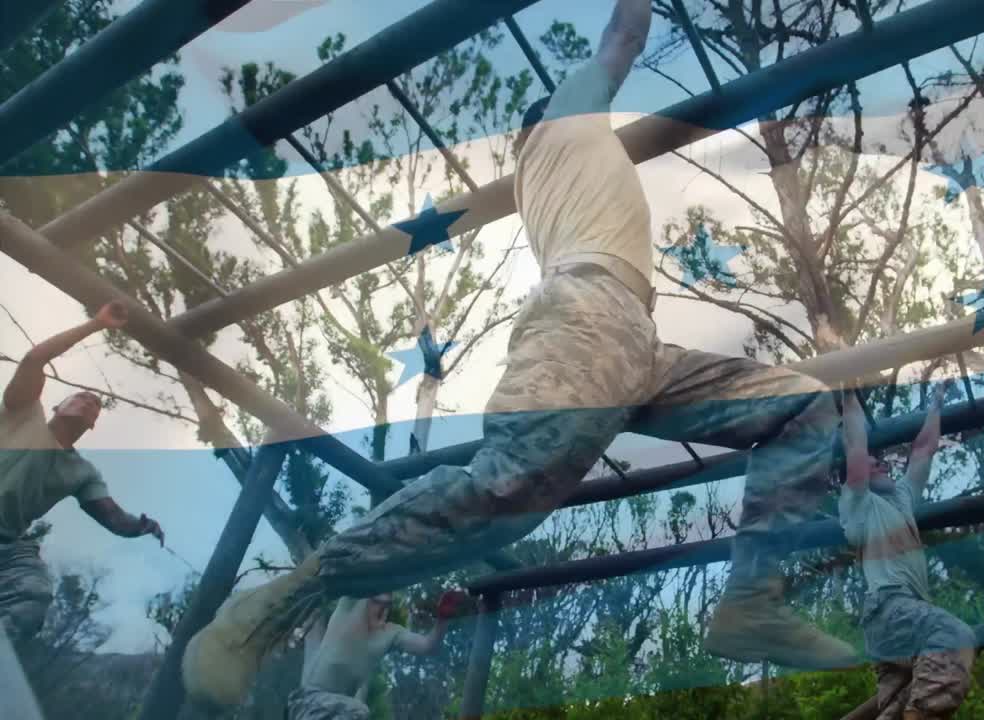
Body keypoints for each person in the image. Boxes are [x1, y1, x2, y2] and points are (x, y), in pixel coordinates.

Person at [185, 0, 854, 705]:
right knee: (506, 490)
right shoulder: (565, 117)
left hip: (634, 341)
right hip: (591, 319)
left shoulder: (548, 180)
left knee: (801, 406)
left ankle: (754, 600)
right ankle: (280, 602)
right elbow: (624, 36)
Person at [0, 301, 164, 640]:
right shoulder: (23, 413)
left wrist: (142, 525)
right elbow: (33, 360)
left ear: (92, 425)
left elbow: (113, 518)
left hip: (6, 542)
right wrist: (96, 324)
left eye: (95, 406)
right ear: (57, 406)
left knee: (34, 592)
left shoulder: (83, 473)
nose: (89, 402)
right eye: (81, 397)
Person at [839, 388, 975, 720]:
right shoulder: (859, 505)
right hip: (890, 608)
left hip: (901, 619)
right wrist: (848, 397)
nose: (884, 464)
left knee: (898, 703)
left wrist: (936, 405)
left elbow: (923, 449)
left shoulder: (901, 499)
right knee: (954, 637)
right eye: (877, 463)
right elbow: (855, 450)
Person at [287, 590, 466, 720]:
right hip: (309, 701)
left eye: (387, 605)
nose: (382, 611)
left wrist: (443, 619)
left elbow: (428, 646)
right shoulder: (350, 604)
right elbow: (358, 574)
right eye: (377, 603)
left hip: (338, 712)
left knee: (358, 711)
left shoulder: (389, 633)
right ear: (367, 599)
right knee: (360, 710)